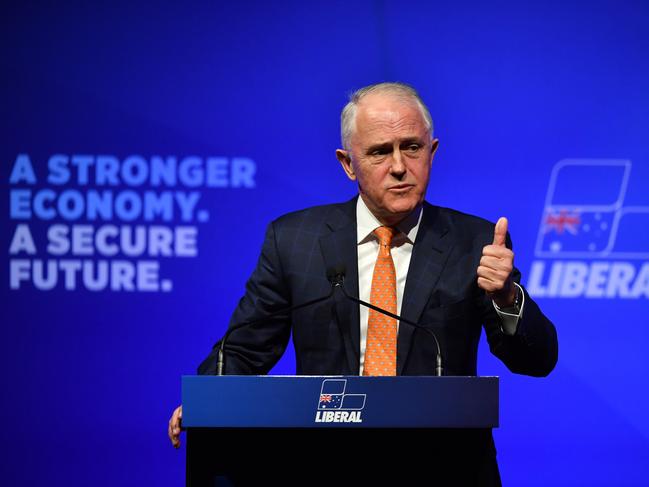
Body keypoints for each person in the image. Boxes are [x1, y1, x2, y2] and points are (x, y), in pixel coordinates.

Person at [168, 82, 558, 484]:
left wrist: (508, 296)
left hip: (443, 467)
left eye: (412, 147)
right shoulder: (295, 241)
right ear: (348, 163)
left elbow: (536, 360)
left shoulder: (474, 242)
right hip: (326, 466)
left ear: (432, 151)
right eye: (378, 152)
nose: (399, 166)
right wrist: (205, 399)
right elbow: (244, 349)